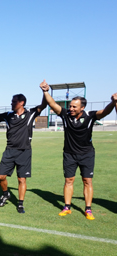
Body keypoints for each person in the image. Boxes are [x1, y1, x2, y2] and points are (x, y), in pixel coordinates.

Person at [40, 80, 117, 220]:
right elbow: (52, 104)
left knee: (87, 181)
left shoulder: (90, 116)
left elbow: (104, 112)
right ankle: (67, 207)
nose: (71, 108)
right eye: (70, 106)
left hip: (87, 154)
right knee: (69, 180)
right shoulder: (65, 115)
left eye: (74, 107)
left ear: (82, 108)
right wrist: (45, 91)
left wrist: (113, 102)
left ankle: (88, 209)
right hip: (69, 154)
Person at [0, 92, 47, 213]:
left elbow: (44, 105)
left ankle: (20, 203)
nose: (11, 103)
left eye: (14, 101)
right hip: (9, 150)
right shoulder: (8, 115)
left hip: (24, 151)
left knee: (21, 179)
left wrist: (45, 92)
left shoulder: (30, 113)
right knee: (0, 176)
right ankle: (6, 193)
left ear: (21, 103)